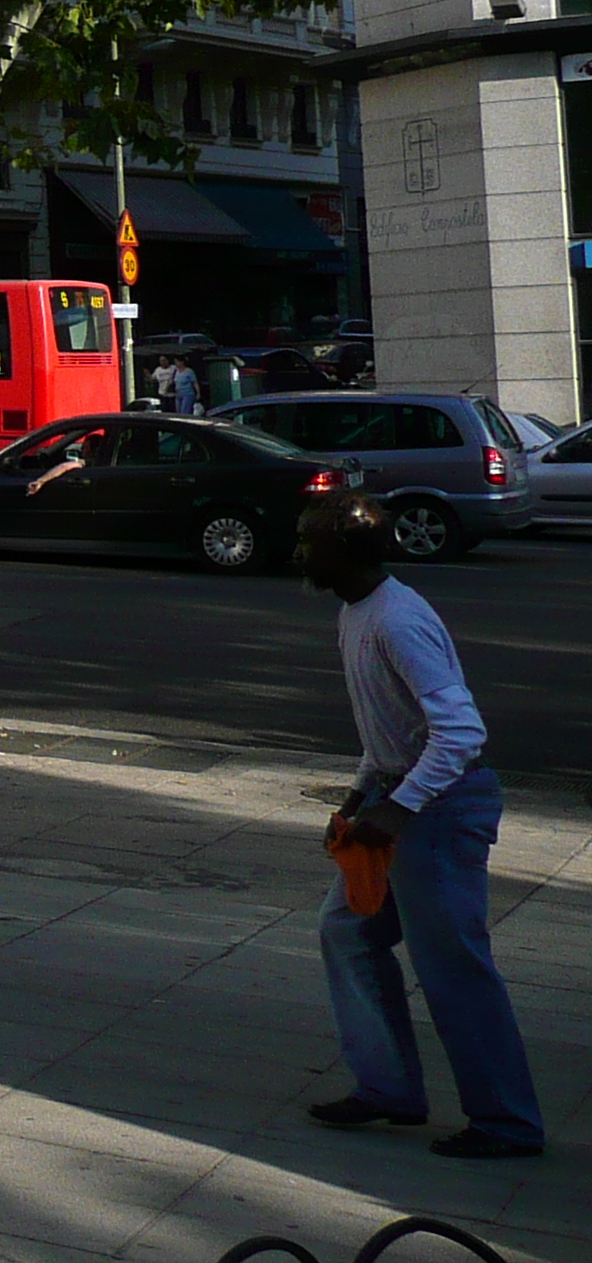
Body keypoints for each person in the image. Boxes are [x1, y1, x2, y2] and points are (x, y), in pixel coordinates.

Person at [298, 492, 544, 1157]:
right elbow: (389, 726)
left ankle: (506, 1124)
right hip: (398, 794)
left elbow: (460, 731)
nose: (299, 552)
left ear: (346, 553)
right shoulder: (358, 611)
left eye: (311, 541)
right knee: (347, 931)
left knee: (453, 969)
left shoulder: (396, 621)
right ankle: (388, 1089)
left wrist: (398, 807)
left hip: (439, 808)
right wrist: (358, 797)